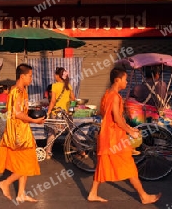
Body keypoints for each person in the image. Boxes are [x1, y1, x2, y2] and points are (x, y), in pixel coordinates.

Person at [87, 67, 161, 204]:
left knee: (103, 164)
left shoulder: (106, 94)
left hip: (106, 136)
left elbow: (105, 115)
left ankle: (92, 193)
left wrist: (128, 127)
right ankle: (143, 196)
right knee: (129, 166)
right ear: (117, 80)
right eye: (125, 79)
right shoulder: (114, 96)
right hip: (114, 138)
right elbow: (117, 118)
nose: (127, 82)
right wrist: (130, 131)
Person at [0, 64, 46, 203]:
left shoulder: (22, 90)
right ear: (22, 76)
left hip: (22, 131)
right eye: (30, 76)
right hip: (18, 134)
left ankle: (21, 194)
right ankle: (6, 183)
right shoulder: (17, 91)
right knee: (28, 163)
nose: (31, 79)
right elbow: (17, 113)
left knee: (23, 163)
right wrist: (34, 120)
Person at [45, 67, 76, 159]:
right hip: (66, 113)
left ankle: (48, 153)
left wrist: (48, 112)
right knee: (71, 132)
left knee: (52, 132)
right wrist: (68, 107)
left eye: (55, 74)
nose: (54, 76)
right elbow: (73, 99)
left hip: (56, 112)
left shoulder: (55, 86)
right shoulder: (68, 86)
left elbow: (53, 101)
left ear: (58, 76)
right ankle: (82, 151)